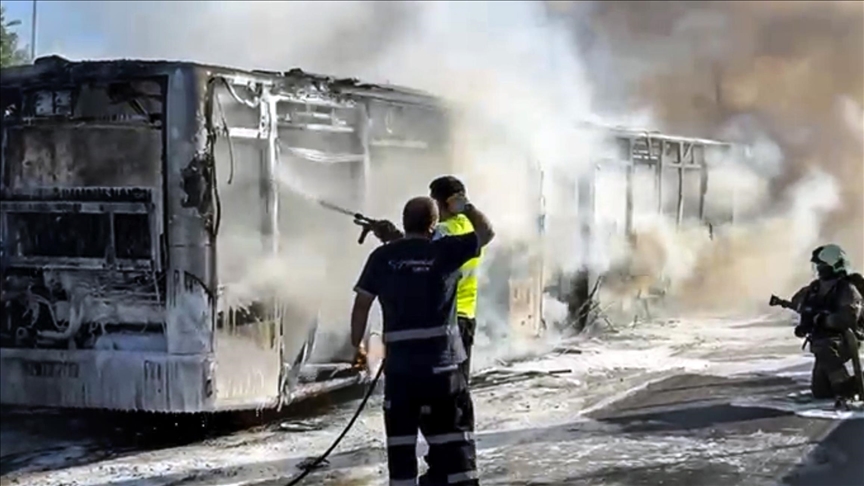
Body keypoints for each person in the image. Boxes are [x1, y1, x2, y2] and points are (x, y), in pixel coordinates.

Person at [351, 194, 494, 486]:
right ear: (434, 224)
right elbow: (486, 232)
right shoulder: (447, 251)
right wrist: (464, 207)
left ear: (404, 223)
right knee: (455, 445)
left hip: (402, 373)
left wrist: (359, 346)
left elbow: (362, 305)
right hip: (444, 372)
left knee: (401, 448)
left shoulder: (382, 258)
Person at [369, 176, 490, 382]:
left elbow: (425, 252)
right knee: (457, 385)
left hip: (444, 317)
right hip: (465, 316)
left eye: (434, 200)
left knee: (435, 385)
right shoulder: (468, 227)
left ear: (446, 202)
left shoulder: (446, 229)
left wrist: (392, 237)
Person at [790, 244, 863, 401]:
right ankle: (853, 383)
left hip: (843, 339)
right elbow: (798, 301)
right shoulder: (815, 288)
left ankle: (847, 388)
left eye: (823, 265)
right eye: (819, 265)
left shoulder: (846, 288)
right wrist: (806, 319)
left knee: (824, 348)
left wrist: (824, 320)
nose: (819, 269)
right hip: (822, 341)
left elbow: (848, 318)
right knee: (821, 392)